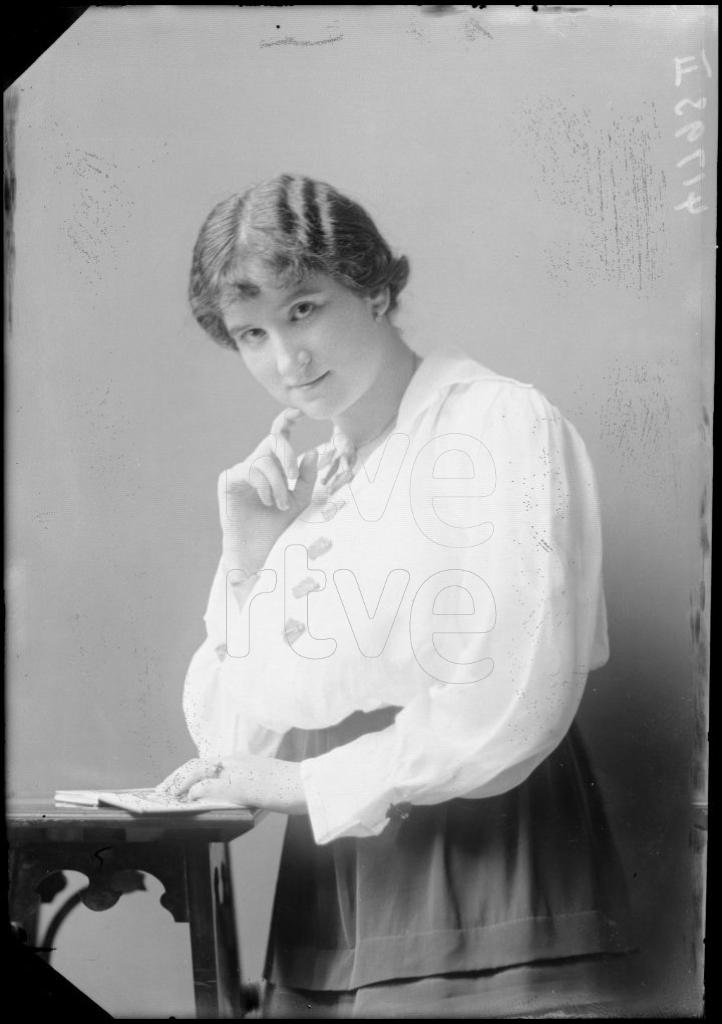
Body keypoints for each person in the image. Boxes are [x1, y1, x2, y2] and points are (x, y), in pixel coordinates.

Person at [159, 174, 633, 1017]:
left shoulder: (496, 427)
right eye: (252, 333)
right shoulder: (312, 486)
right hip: (329, 889)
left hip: (482, 870)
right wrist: (249, 561)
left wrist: (304, 786)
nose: (287, 360)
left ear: (374, 288)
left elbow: (511, 704)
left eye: (305, 309)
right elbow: (233, 744)